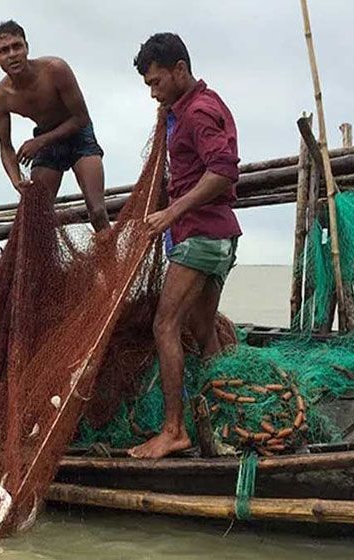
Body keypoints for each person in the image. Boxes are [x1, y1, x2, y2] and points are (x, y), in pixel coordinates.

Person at [128, 33, 242, 459]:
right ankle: (227, 414)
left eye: (156, 82)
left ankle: (174, 430)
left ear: (180, 69)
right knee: (203, 329)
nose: (153, 92)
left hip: (201, 235)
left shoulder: (198, 112)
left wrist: (172, 212)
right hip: (219, 237)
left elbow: (223, 172)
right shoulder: (190, 108)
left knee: (165, 325)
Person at [0, 20, 109, 232]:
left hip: (78, 134)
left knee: (98, 211)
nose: (12, 54)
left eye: (17, 47)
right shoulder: (1, 97)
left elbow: (81, 118)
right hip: (47, 140)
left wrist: (39, 142)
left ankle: (110, 253)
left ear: (27, 47)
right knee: (35, 218)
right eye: (4, 50)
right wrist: (17, 180)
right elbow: (6, 148)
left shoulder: (55, 69)